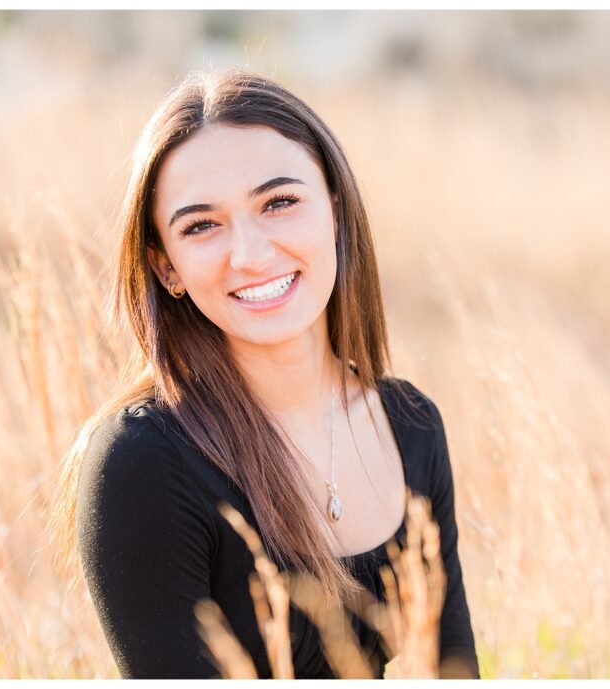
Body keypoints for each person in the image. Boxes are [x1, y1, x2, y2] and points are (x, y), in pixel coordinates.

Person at [46, 70, 479, 679]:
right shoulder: (142, 463)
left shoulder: (411, 426)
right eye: (201, 225)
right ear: (167, 267)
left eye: (278, 202)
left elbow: (455, 672)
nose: (249, 254)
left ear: (335, 210)